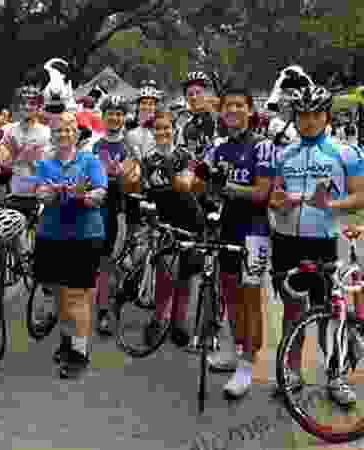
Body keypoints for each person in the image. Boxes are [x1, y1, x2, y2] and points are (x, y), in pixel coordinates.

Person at [269, 85, 364, 406]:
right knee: (292, 310)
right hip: (289, 242)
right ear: (294, 118)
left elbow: (360, 195)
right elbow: (276, 196)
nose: (308, 121)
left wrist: (331, 206)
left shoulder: (346, 152)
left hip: (328, 243)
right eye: (302, 115)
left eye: (315, 115)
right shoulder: (284, 154)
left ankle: (335, 376)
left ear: (327, 116)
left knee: (331, 314)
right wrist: (278, 203)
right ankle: (292, 372)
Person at [190, 81, 275, 398]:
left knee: (251, 299)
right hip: (223, 228)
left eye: (240, 105)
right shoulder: (217, 146)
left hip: (254, 231)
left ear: (250, 110)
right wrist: (201, 180)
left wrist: (225, 187)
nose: (234, 110)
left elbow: (262, 192)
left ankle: (247, 365)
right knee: (229, 294)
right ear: (221, 111)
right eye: (228, 105)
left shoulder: (262, 146)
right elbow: (202, 189)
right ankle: (232, 351)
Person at [33, 112, 107, 378]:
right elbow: (40, 192)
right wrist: (51, 194)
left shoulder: (90, 161)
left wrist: (84, 196)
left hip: (83, 236)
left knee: (77, 295)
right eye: (58, 130)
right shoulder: (45, 163)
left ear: (76, 134)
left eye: (68, 130)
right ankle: (67, 339)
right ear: (52, 135)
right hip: (51, 235)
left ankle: (79, 352)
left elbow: (100, 193)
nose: (63, 134)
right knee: (59, 292)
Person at [138, 108, 205, 349]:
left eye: (167, 128)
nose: (163, 132)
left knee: (186, 275)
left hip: (188, 217)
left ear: (174, 130)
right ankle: (159, 320)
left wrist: (170, 167)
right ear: (153, 132)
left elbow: (186, 185)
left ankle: (179, 322)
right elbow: (146, 192)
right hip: (163, 218)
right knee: (164, 273)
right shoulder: (147, 159)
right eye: (158, 128)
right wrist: (149, 218)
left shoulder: (184, 155)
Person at [91, 96, 131, 336]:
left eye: (119, 113)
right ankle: (103, 311)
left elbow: (134, 178)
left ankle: (114, 300)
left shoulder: (130, 145)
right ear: (103, 117)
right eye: (110, 113)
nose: (115, 118)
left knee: (117, 260)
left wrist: (122, 175)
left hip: (122, 209)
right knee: (102, 261)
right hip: (98, 208)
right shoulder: (93, 144)